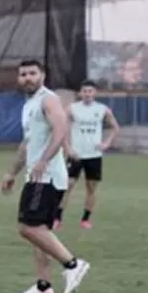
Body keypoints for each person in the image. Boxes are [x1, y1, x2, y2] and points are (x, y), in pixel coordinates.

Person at [0, 60, 90, 293]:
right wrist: (11, 172)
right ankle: (43, 285)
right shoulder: (29, 105)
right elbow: (27, 143)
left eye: (32, 73)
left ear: (42, 75)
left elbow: (60, 130)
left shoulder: (48, 99)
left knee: (28, 227)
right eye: (23, 74)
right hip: (37, 175)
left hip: (47, 176)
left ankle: (73, 265)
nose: (27, 77)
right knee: (41, 230)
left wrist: (43, 160)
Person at [57, 80, 119, 229]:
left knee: (91, 188)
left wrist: (106, 143)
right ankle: (57, 217)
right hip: (76, 155)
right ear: (80, 93)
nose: (87, 94)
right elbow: (62, 129)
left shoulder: (102, 109)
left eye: (90, 91)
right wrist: (68, 148)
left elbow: (115, 127)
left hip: (94, 155)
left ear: (95, 93)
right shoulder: (72, 108)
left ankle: (85, 219)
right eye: (84, 91)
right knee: (67, 185)